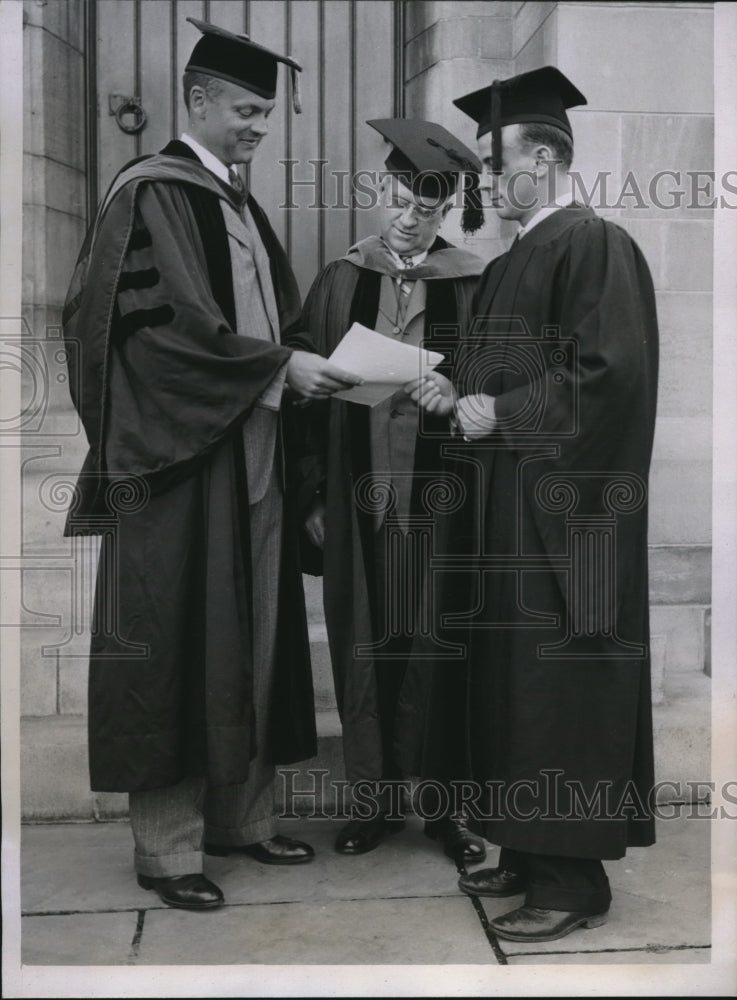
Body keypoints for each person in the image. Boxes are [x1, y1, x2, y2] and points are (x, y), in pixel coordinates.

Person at [61, 18, 361, 911]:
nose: (260, 126)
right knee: (178, 644)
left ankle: (245, 821)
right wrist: (276, 367)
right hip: (180, 463)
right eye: (245, 108)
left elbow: (275, 322)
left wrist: (316, 362)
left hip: (257, 453)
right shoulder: (150, 194)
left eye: (266, 111)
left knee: (255, 635)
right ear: (195, 99)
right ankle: (169, 851)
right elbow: (155, 337)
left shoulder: (236, 201)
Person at [407, 66, 659, 942]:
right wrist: (449, 389)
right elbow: (503, 374)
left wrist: (500, 412)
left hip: (563, 521)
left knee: (556, 691)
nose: (483, 180)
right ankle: (520, 844)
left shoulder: (593, 244)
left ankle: (572, 882)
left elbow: (607, 377)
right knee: (513, 690)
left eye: (493, 162)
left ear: (543, 157)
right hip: (508, 509)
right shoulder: (519, 255)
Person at [300, 118, 488, 860]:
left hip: (442, 506)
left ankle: (445, 811)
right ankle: (372, 800)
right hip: (358, 502)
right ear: (381, 190)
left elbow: (497, 379)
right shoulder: (341, 276)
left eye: (428, 208)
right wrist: (314, 493)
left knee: (441, 648)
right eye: (402, 200)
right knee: (364, 646)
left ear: (446, 212)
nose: (411, 219)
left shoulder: (470, 281)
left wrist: (458, 381)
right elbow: (307, 398)